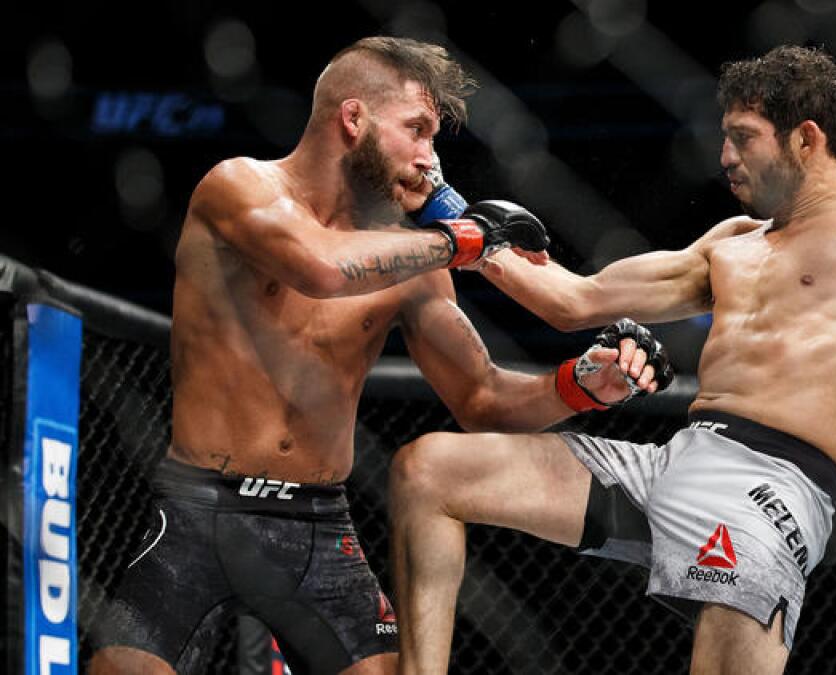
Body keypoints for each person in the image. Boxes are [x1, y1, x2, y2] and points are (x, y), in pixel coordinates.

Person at [388, 45, 836, 675]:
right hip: (673, 463)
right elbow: (573, 300)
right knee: (429, 470)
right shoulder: (731, 241)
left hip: (771, 485)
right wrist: (445, 210)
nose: (723, 156)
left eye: (743, 136)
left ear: (807, 138)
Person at [88, 36, 674, 675]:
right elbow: (320, 267)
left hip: (317, 522)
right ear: (353, 119)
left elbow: (481, 399)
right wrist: (465, 239)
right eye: (418, 131)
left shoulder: (414, 258)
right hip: (198, 510)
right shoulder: (240, 187)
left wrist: (583, 383)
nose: (431, 161)